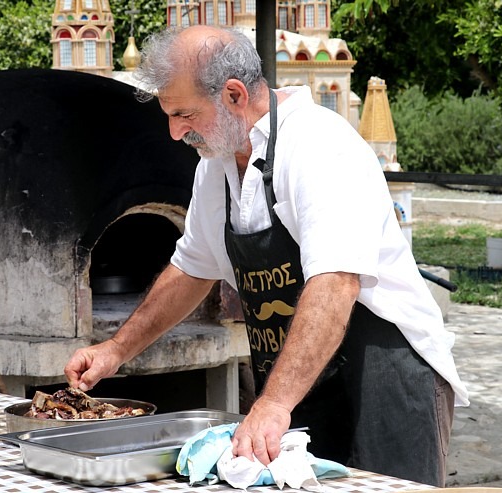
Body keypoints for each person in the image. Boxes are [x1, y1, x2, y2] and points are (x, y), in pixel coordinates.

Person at [64, 25, 468, 487]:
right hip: (301, 384)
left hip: (383, 382)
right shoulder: (215, 166)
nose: (175, 133)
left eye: (184, 115)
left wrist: (273, 403)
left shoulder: (318, 146)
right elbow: (190, 269)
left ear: (233, 94)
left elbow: (335, 284)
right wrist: (116, 349)